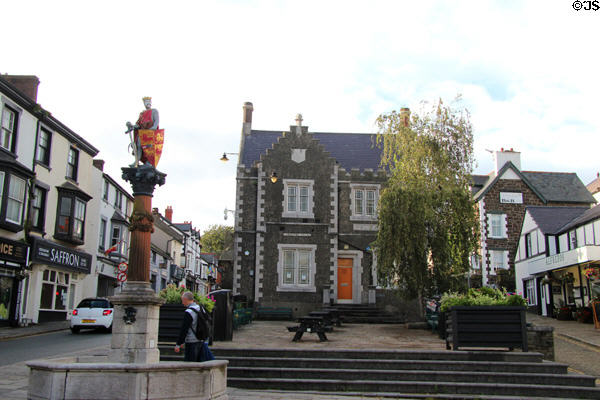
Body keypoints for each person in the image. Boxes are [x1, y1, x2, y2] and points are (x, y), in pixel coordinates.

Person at [174, 291, 202, 362]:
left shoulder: (189, 312)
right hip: (200, 339)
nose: (182, 303)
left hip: (191, 340)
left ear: (186, 300)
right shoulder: (200, 308)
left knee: (190, 363)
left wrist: (179, 344)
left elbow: (184, 329)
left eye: (182, 300)